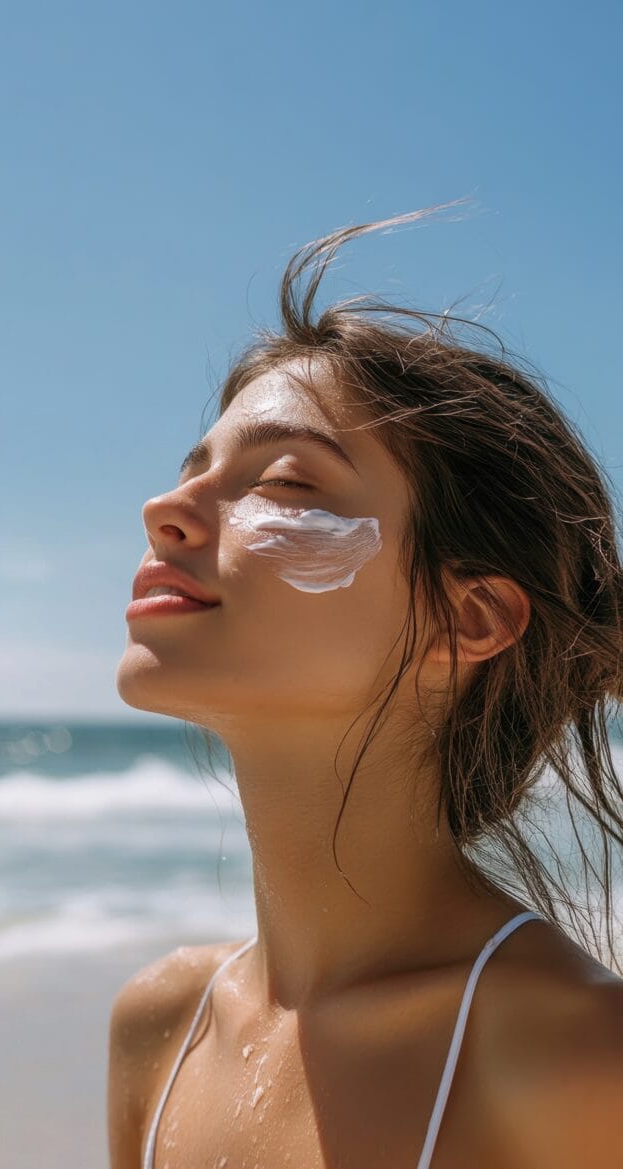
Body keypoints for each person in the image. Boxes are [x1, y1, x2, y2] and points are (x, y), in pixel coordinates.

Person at [108, 203, 623, 1169]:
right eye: (194, 470)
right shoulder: (162, 1027)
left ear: (467, 620)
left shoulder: (575, 1053)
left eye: (285, 485)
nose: (164, 510)